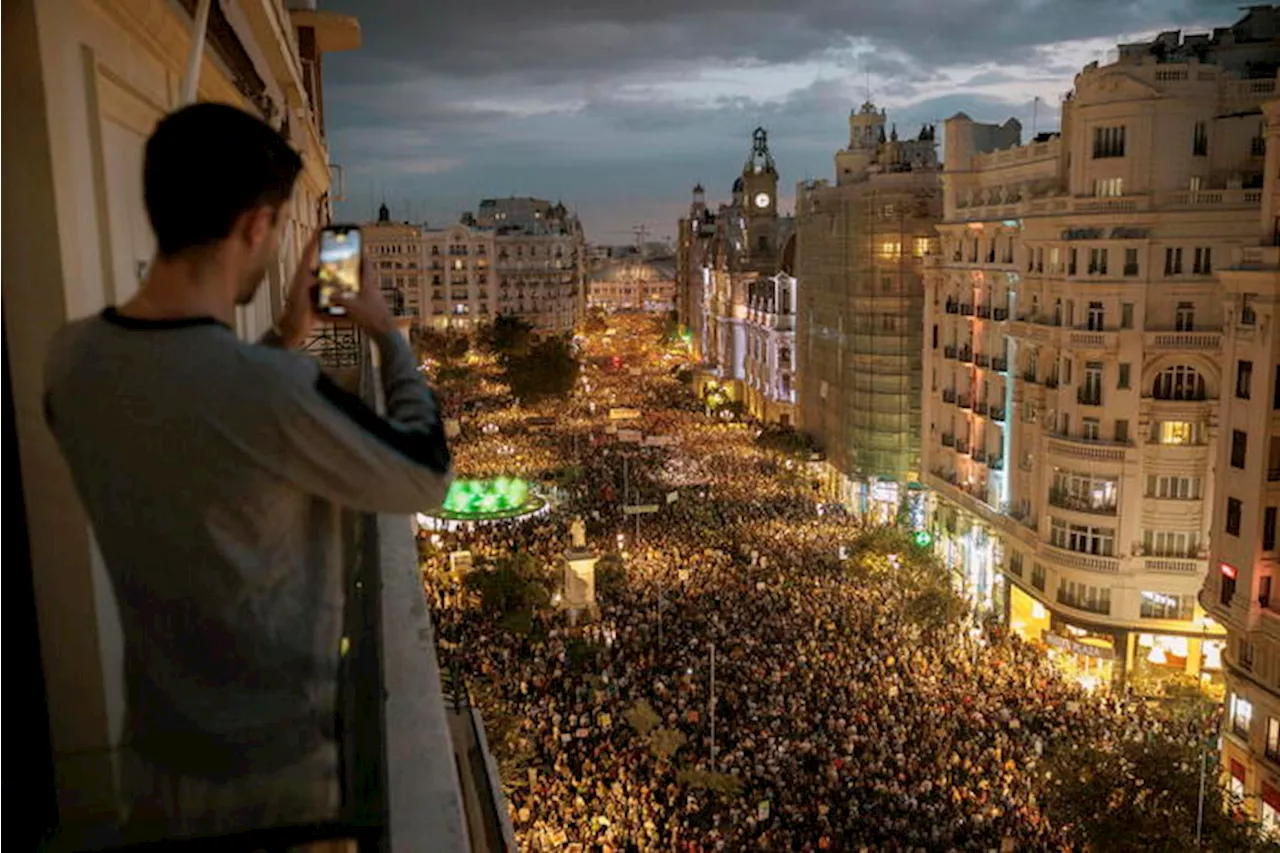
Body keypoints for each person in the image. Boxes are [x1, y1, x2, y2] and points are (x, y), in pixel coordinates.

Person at [43, 103, 452, 844]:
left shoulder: (71, 362)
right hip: (276, 788)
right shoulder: (268, 392)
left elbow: (191, 409)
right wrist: (389, 334)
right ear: (258, 227)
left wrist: (287, 336)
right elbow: (423, 475)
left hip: (153, 761)